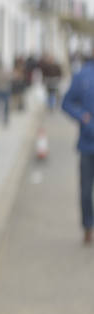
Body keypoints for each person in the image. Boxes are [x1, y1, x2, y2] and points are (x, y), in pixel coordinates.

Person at [61, 53, 94, 246]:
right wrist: (83, 117)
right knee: (86, 190)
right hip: (87, 144)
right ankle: (88, 225)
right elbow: (66, 103)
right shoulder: (82, 76)